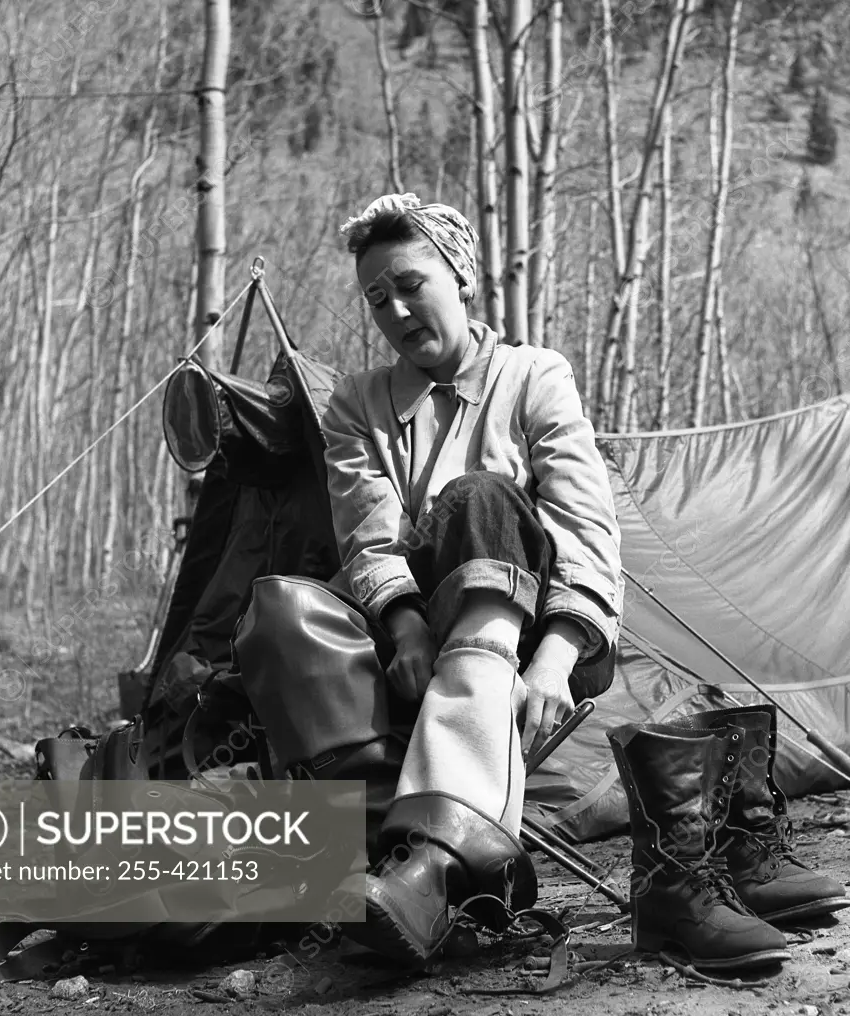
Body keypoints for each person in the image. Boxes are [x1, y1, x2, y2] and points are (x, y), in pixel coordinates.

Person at [233, 192, 623, 967]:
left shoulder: (534, 374)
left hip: (541, 635)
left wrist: (555, 656)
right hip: (413, 634)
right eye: (377, 298)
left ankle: (436, 865)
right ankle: (395, 860)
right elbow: (369, 537)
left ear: (462, 275)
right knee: (279, 611)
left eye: (412, 284)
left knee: (478, 496)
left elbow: (585, 525)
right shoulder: (358, 402)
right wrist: (406, 622)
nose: (397, 310)